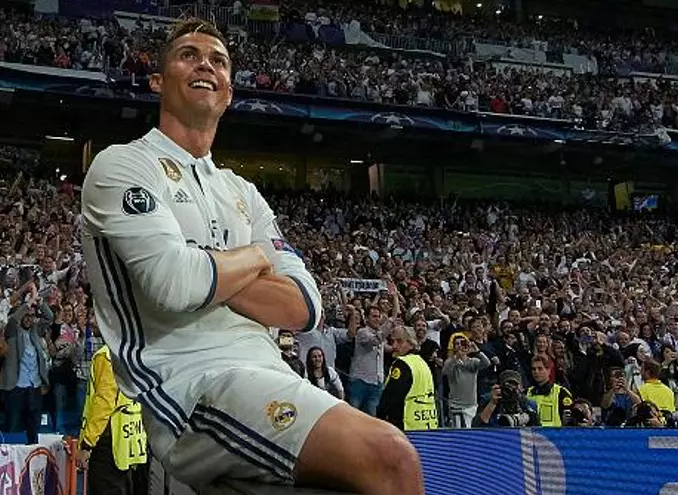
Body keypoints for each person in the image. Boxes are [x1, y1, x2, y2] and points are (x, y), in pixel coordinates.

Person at [80, 18, 422, 494]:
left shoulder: (243, 192)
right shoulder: (122, 164)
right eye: (188, 55)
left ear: (229, 92)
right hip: (190, 387)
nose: (205, 64)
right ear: (158, 82)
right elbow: (175, 284)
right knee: (392, 459)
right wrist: (256, 256)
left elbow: (306, 306)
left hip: (270, 375)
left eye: (218, 60)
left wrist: (208, 264)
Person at [78, 340, 149, 495]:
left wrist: (87, 444)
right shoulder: (135, 353)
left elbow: (104, 403)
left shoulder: (106, 355)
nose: (91, 321)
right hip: (131, 441)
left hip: (108, 442)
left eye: (96, 317)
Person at [0, 284, 53, 445]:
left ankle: (32, 459)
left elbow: (49, 317)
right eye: (27, 316)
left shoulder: (35, 332)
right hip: (16, 387)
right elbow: (13, 321)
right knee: (13, 426)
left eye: (32, 316)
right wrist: (27, 304)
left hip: (34, 386)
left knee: (33, 428)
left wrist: (39, 301)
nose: (30, 319)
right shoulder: (12, 333)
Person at [377, 326, 438, 431]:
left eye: (399, 341)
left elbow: (391, 397)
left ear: (411, 343)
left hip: (407, 426)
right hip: (428, 425)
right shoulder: (422, 362)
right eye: (392, 341)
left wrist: (380, 416)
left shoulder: (402, 364)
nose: (394, 345)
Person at [474, 370, 540, 428]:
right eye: (507, 387)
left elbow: (537, 429)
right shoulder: (488, 400)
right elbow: (476, 427)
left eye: (515, 385)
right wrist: (492, 403)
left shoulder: (528, 404)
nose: (511, 390)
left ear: (521, 388)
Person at [526, 354, 574, 427]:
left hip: (553, 436)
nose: (536, 372)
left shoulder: (561, 393)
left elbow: (569, 422)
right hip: (531, 436)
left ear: (548, 370)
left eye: (540, 368)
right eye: (533, 369)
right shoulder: (527, 392)